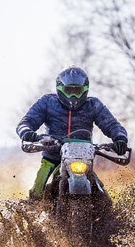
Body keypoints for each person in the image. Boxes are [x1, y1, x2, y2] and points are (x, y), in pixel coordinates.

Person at [16, 66, 128, 200]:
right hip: (52, 157)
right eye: (69, 90)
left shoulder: (93, 105)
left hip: (84, 159)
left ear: (85, 89)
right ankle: (30, 211)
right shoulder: (47, 102)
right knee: (37, 191)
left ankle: (111, 214)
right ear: (60, 89)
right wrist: (27, 132)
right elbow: (26, 122)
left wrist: (120, 138)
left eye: (77, 91)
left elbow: (112, 125)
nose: (73, 95)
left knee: (104, 199)